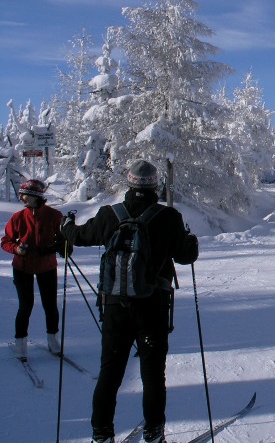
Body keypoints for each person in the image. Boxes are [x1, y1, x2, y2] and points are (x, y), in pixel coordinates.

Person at [61, 160, 199, 443]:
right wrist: (191, 239)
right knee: (152, 372)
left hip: (114, 306)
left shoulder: (109, 215)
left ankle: (101, 434)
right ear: (154, 185)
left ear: (130, 183)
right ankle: (154, 433)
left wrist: (67, 227)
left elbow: (81, 236)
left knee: (110, 372)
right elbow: (186, 256)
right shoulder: (168, 217)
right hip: (153, 305)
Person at [1, 179, 69, 360]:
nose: (22, 198)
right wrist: (16, 249)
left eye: (25, 195)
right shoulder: (18, 217)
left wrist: (62, 246)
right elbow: (5, 241)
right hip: (22, 267)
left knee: (50, 305)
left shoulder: (54, 215)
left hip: (46, 266)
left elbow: (63, 237)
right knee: (26, 305)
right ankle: (20, 345)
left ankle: (53, 341)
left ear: (35, 197)